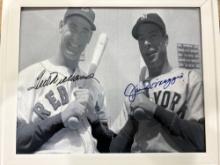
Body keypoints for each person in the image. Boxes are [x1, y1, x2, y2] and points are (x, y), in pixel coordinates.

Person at [17, 8, 114, 154]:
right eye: (73, 27)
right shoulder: (29, 77)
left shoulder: (95, 86)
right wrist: (61, 118)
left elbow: (108, 148)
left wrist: (93, 119)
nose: (77, 37)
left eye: (84, 31)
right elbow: (14, 142)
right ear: (61, 26)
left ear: (89, 37)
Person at [110, 13, 205, 152]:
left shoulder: (190, 79)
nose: (146, 43)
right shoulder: (135, 92)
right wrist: (132, 120)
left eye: (153, 36)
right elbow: (114, 150)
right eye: (141, 39)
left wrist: (155, 110)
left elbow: (202, 139)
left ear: (165, 40)